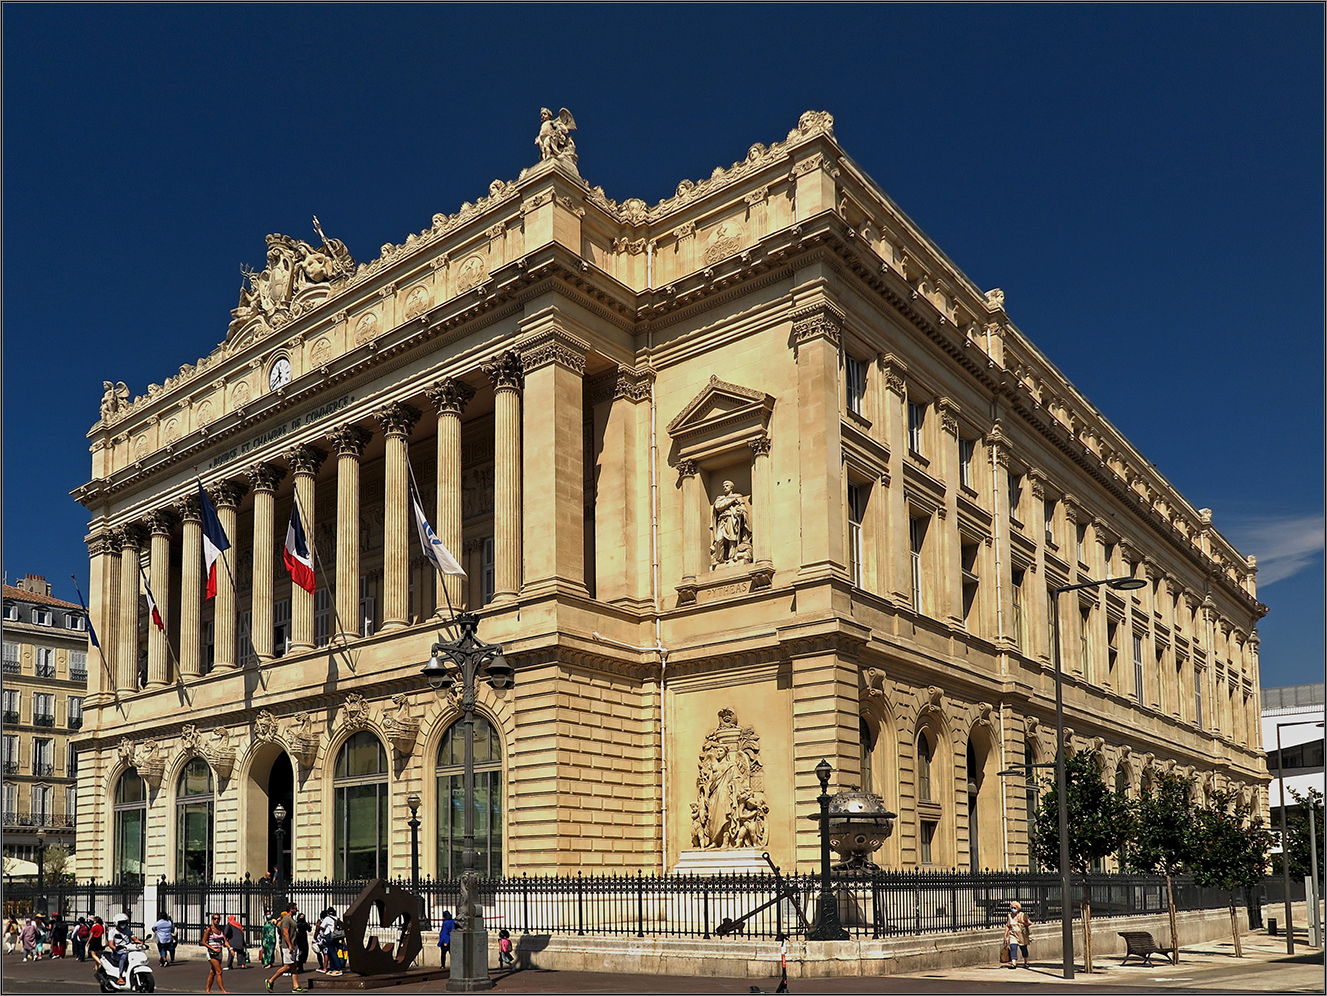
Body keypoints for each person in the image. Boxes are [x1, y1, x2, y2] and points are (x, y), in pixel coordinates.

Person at [266, 901, 303, 993]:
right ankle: (270, 980)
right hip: (287, 946)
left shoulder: (291, 919)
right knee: (287, 966)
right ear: (291, 909)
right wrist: (290, 945)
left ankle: (296, 986)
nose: (296, 910)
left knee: (294, 966)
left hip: (294, 945)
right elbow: (285, 933)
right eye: (295, 908)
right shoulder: (286, 919)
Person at [107, 912, 140, 987]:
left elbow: (134, 938)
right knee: (124, 956)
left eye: (124, 922)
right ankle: (120, 976)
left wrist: (141, 943)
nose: (123, 924)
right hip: (118, 953)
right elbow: (111, 944)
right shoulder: (112, 932)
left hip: (128, 950)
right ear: (116, 923)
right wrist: (115, 948)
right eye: (121, 923)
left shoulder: (127, 930)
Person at [202, 913, 232, 994]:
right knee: (219, 971)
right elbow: (203, 942)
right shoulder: (209, 930)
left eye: (218, 919)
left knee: (213, 972)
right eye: (215, 919)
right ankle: (223, 990)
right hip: (212, 953)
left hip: (219, 952)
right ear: (212, 919)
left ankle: (207, 990)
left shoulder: (221, 929)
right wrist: (213, 949)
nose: (216, 920)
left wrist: (231, 948)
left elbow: (225, 941)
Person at [1003, 900, 1032, 969]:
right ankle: (1013, 963)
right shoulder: (1010, 916)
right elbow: (1008, 925)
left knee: (1023, 948)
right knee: (1013, 947)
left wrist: (1022, 922)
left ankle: (1026, 961)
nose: (1013, 909)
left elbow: (1029, 923)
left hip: (1022, 934)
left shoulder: (1023, 915)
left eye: (1015, 908)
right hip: (1013, 933)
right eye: (1012, 907)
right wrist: (1005, 935)